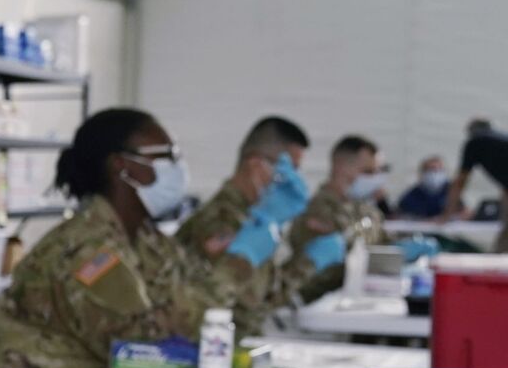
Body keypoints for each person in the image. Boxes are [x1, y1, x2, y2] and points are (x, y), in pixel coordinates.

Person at [0, 109, 230, 368]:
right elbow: (141, 346)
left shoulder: (144, 237)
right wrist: (232, 272)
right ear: (121, 165)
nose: (177, 167)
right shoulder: (85, 250)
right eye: (164, 156)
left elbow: (194, 301)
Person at [173, 116, 310, 337]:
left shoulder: (254, 219)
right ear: (256, 164)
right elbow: (223, 308)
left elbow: (265, 297)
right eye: (289, 169)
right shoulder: (221, 221)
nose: (295, 180)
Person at [284, 135, 401, 301]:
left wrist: (399, 250)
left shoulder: (364, 208)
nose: (375, 178)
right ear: (341, 168)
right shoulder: (316, 211)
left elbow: (382, 241)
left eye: (378, 171)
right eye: (368, 171)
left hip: (358, 301)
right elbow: (322, 274)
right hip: (321, 305)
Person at [446, 118, 508, 252]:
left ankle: (495, 262)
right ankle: (496, 260)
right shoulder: (501, 140)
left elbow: (461, 181)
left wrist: (447, 214)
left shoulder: (476, 142)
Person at [397, 156, 451, 220]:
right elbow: (399, 212)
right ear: (423, 173)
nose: (435, 174)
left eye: (439, 170)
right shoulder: (413, 194)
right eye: (431, 170)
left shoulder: (450, 191)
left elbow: (462, 212)